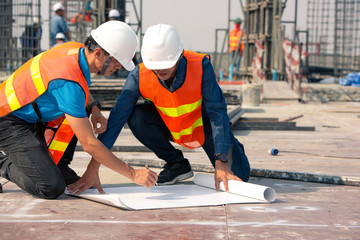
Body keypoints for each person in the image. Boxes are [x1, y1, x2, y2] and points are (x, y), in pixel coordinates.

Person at [72, 23, 250, 193]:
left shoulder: (200, 66)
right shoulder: (139, 75)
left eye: (165, 65)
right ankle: (176, 164)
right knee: (136, 116)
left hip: (201, 128)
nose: (160, 71)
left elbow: (217, 113)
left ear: (180, 57)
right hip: (171, 127)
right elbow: (116, 121)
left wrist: (222, 159)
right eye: (155, 66)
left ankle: (232, 146)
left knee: (239, 176)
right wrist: (93, 167)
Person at [0, 21, 157, 199]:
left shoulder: (75, 50)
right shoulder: (69, 81)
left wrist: (94, 108)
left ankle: (58, 166)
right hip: (7, 120)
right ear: (98, 53)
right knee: (50, 187)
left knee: (80, 109)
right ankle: (2, 163)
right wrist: (132, 174)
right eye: (117, 61)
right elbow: (89, 143)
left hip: (26, 115)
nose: (118, 67)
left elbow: (78, 87)